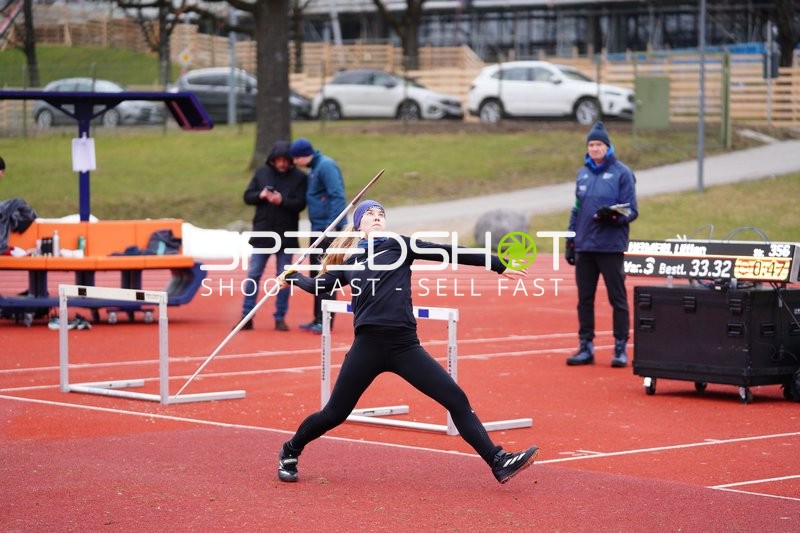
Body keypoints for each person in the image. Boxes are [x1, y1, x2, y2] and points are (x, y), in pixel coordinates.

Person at [275, 200, 539, 484]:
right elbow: (322, 285)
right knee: (334, 414)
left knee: (456, 400)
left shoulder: (398, 245)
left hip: (404, 346)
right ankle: (291, 449)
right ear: (358, 225)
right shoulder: (350, 261)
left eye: (381, 214)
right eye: (369, 215)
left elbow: (448, 252)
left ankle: (498, 461)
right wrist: (294, 278)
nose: (376, 218)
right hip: (368, 346)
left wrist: (497, 264)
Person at [565, 121, 638, 367]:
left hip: (610, 247)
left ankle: (620, 347)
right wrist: (570, 240)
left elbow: (632, 211)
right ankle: (586, 346)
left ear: (608, 147)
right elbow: (576, 209)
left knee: (617, 298)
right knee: (584, 299)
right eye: (591, 144)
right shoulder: (582, 174)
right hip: (585, 246)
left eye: (599, 144)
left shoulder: (622, 173)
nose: (595, 148)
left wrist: (614, 217)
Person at [239, 140, 307, 331]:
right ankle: (246, 316)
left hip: (287, 236)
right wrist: (260, 195)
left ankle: (279, 317)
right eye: (279, 160)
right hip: (263, 233)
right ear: (273, 160)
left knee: (284, 278)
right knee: (253, 274)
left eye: (286, 160)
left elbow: (301, 204)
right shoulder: (261, 173)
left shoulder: (300, 178)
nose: (282, 164)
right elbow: (247, 196)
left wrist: (281, 200)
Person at [289, 137, 347, 334]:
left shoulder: (326, 166)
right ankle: (317, 318)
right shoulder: (314, 169)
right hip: (317, 228)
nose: (294, 162)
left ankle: (326, 321)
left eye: (295, 158)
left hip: (328, 230)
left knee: (327, 274)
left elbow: (337, 195)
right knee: (315, 274)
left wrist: (331, 227)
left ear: (304, 155)